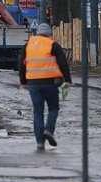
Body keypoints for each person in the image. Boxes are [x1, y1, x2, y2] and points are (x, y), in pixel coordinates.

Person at [18, 23, 72, 151]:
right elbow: (62, 62)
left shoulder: (29, 44)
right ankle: (49, 130)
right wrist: (68, 80)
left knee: (38, 111)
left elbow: (21, 63)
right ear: (49, 33)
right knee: (53, 108)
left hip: (33, 83)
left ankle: (39, 142)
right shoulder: (52, 44)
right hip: (50, 82)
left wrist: (23, 81)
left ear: (37, 32)